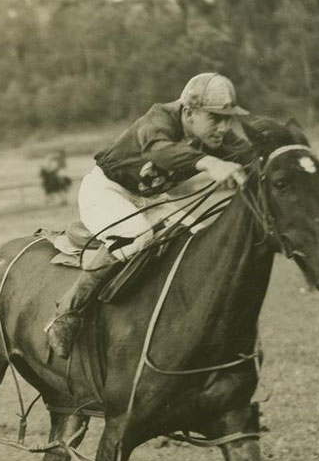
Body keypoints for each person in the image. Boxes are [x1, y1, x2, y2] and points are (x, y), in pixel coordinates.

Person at [45, 72, 254, 359]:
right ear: (190, 112)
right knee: (137, 236)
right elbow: (159, 151)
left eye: (228, 119)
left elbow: (251, 152)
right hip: (107, 189)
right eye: (216, 118)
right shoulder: (159, 119)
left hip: (150, 198)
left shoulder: (211, 137)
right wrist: (209, 164)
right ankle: (66, 314)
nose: (224, 127)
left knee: (198, 238)